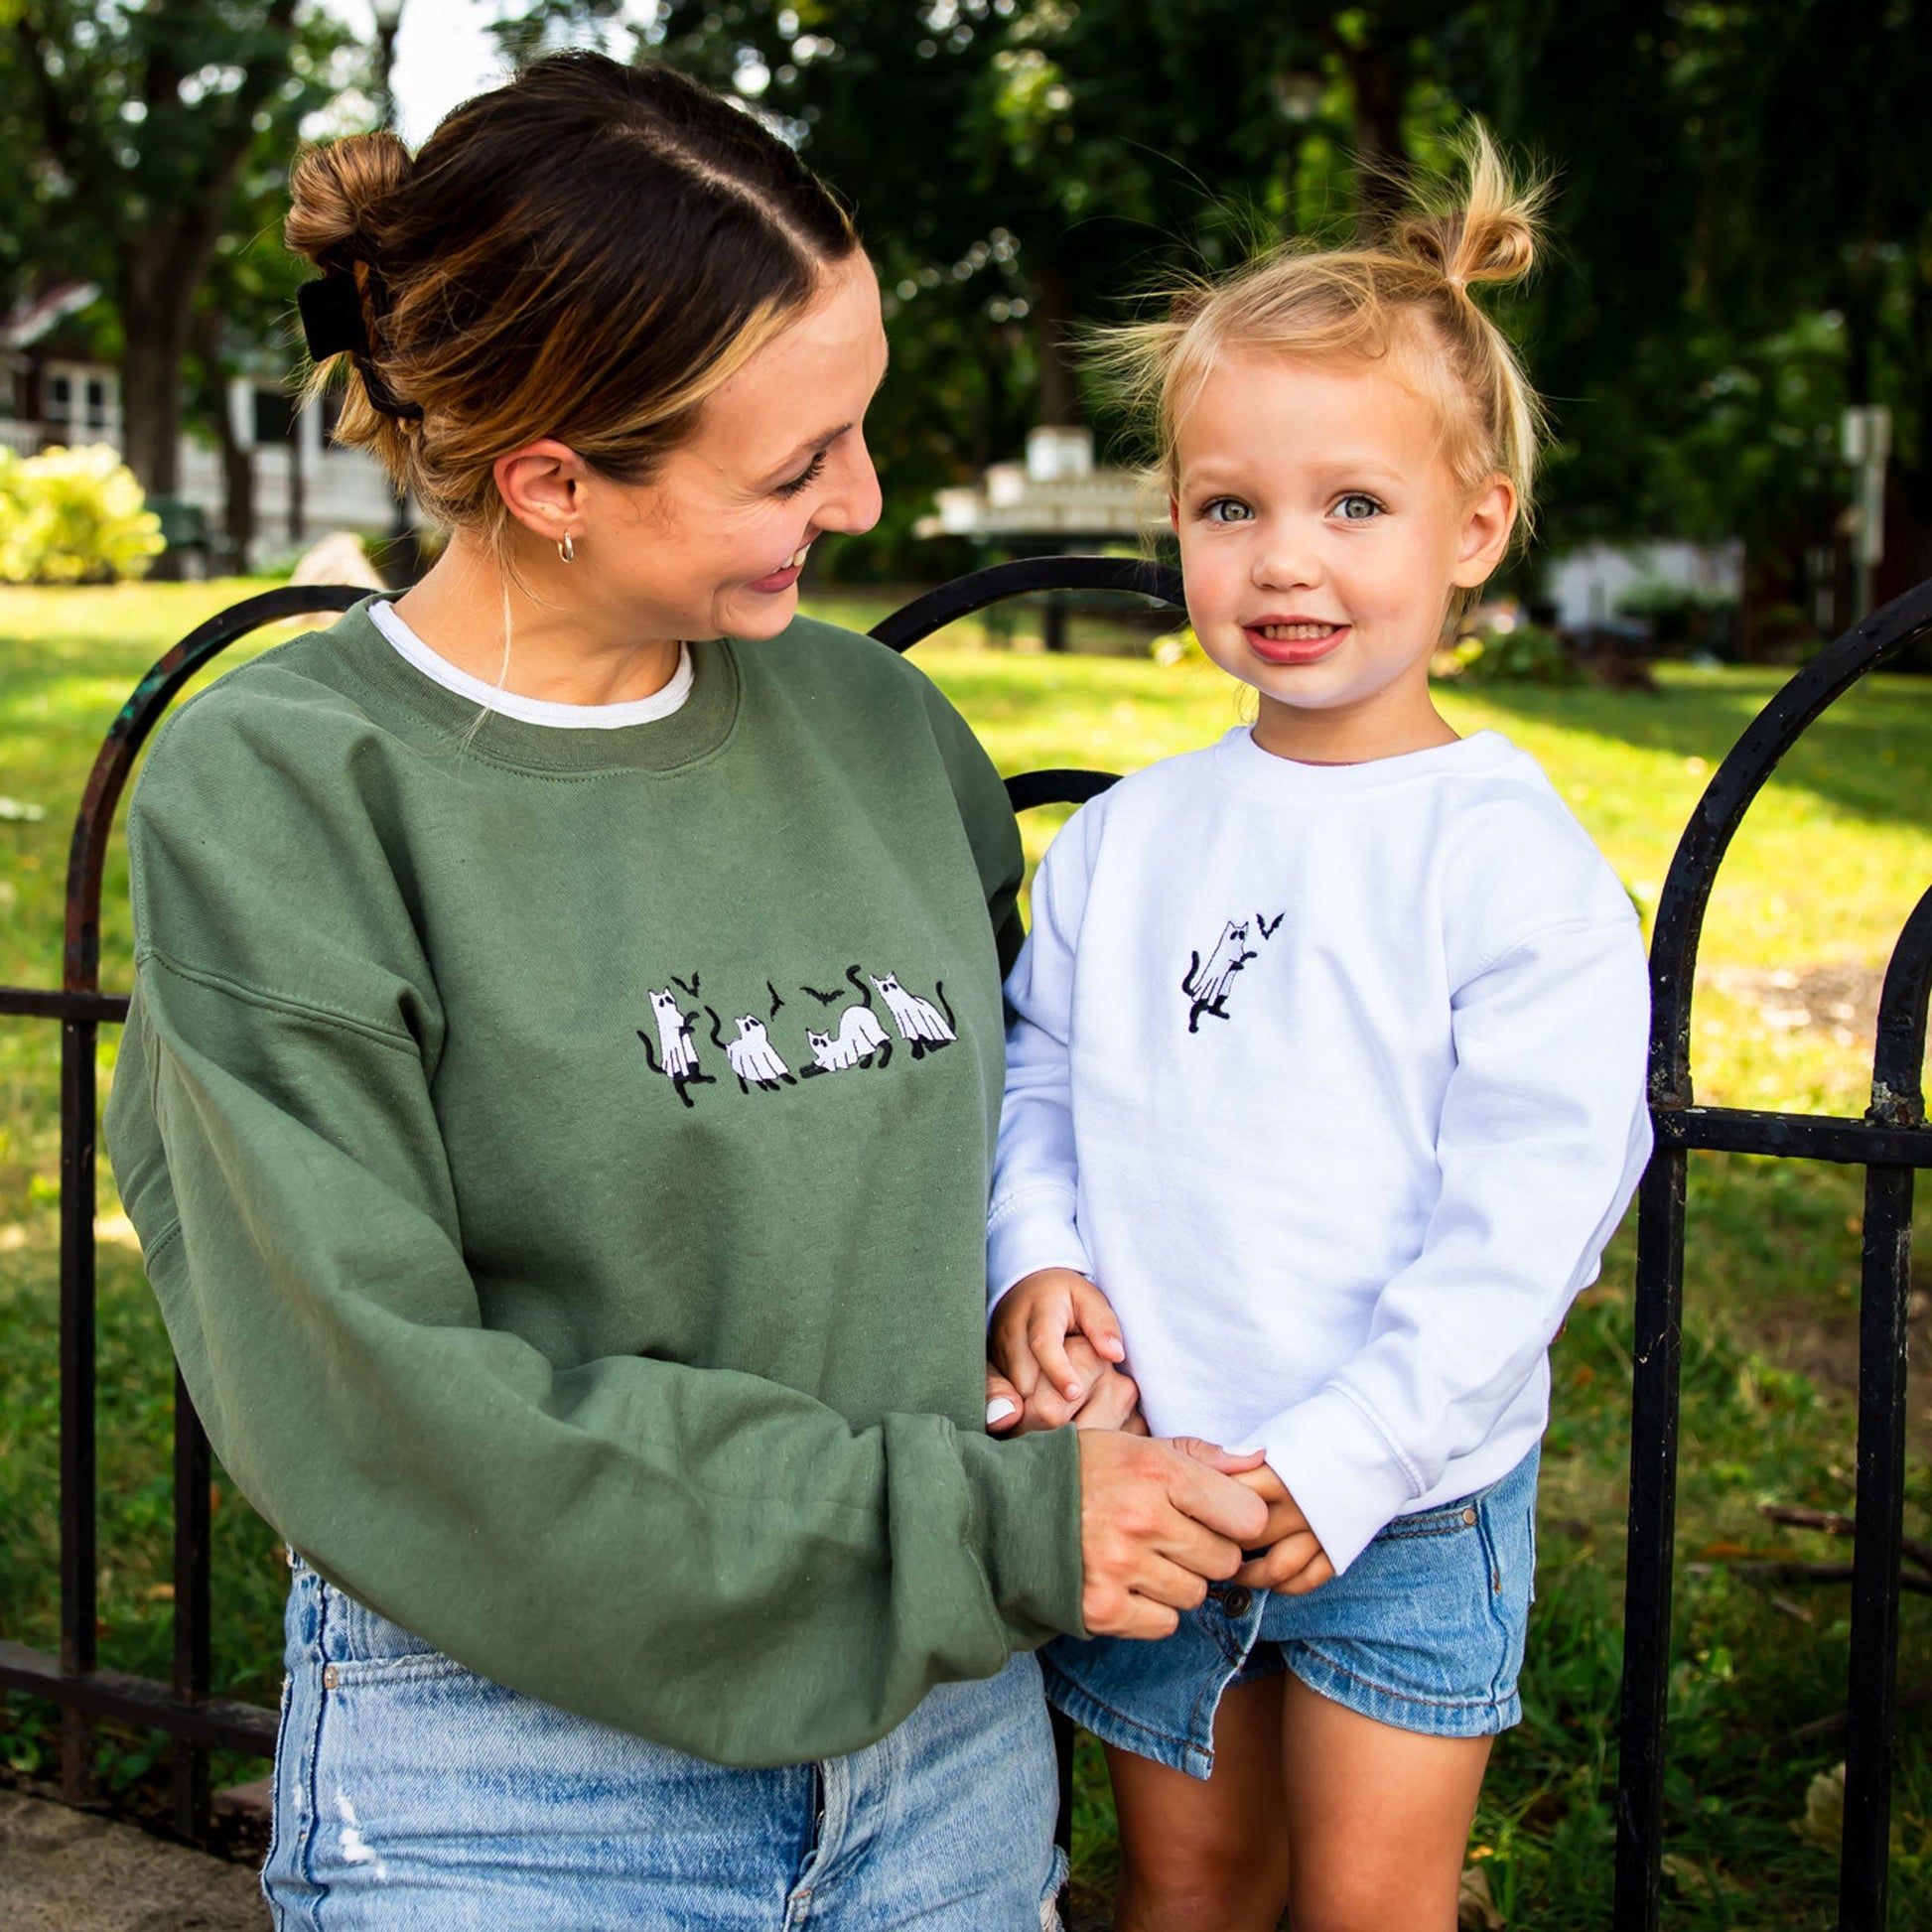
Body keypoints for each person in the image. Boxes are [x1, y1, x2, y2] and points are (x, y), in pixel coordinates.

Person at [102, 52, 1267, 1929]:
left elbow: (1021, 1148)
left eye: (859, 426)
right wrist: (981, 1523)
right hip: (514, 1776)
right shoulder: (294, 795)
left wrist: (1042, 1312)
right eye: (799, 465)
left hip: (945, 1750)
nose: (869, 499)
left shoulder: (886, 731)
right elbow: (388, 1409)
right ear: (554, 478)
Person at [984, 130, 1653, 1932]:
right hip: (1164, 1480)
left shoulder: (1506, 861)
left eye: (1353, 504)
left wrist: (1348, 1452)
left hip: (1404, 1496)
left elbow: (1533, 1214)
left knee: (1368, 1904)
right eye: (1228, 507)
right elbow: (1038, 1069)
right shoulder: (1128, 839)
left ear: (1477, 528)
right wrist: (1032, 1261)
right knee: (1184, 1884)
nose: (1284, 560)